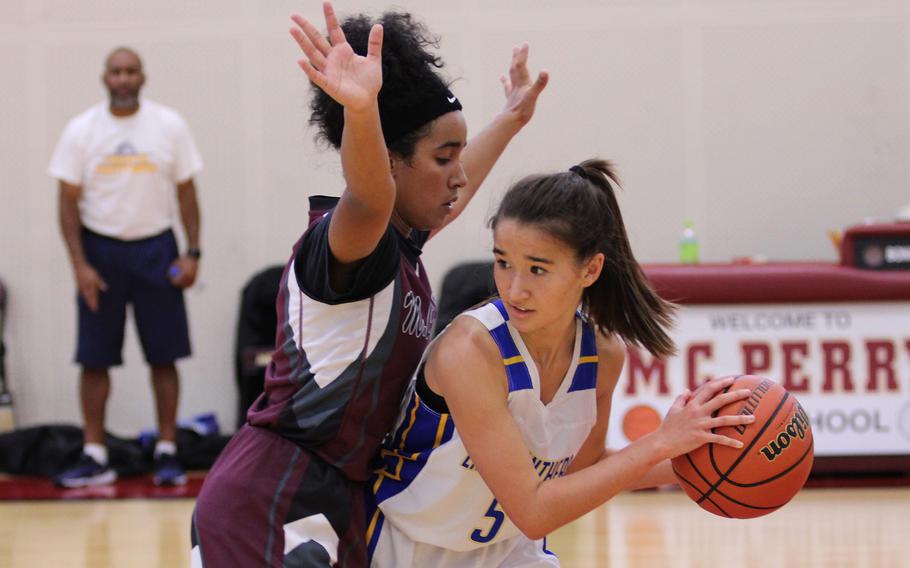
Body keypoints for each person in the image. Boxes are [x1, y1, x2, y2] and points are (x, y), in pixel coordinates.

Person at [190, 3, 547, 567]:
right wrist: (361, 113)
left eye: (459, 155)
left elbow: (441, 200)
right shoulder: (354, 238)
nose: (458, 174)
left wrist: (510, 118)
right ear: (387, 162)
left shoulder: (404, 245)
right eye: (443, 157)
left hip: (342, 496)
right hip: (272, 492)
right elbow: (372, 195)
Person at [367, 160, 756, 567]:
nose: (515, 288)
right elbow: (534, 511)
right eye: (503, 263)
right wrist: (659, 442)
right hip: (404, 550)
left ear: (590, 269)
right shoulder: (470, 352)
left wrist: (704, 460)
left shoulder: (603, 355)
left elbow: (580, 473)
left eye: (537, 269)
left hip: (509, 553)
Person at [47, 47, 203, 488]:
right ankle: (95, 455)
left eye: (131, 71)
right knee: (94, 358)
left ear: (143, 77)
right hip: (101, 253)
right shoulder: (81, 130)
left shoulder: (169, 125)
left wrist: (192, 253)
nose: (123, 78)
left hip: (156, 249)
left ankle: (168, 450)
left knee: (164, 355)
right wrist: (79, 264)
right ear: (104, 77)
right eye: (116, 71)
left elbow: (188, 192)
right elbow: (66, 202)